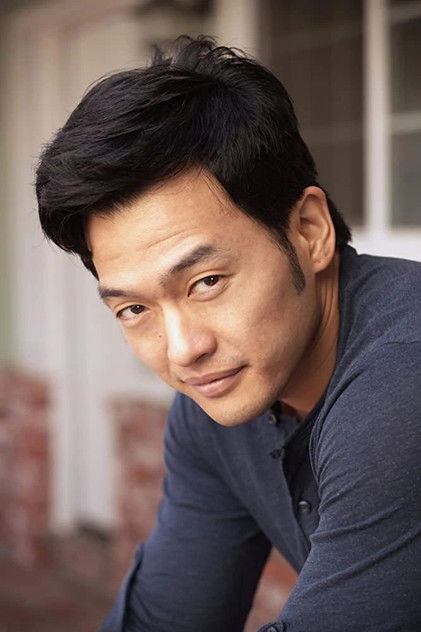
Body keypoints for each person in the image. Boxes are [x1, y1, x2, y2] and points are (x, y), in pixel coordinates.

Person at [36, 36, 420, 632]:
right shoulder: (221, 400)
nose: (184, 350)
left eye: (207, 281)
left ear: (309, 230)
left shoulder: (403, 379)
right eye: (134, 309)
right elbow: (167, 618)